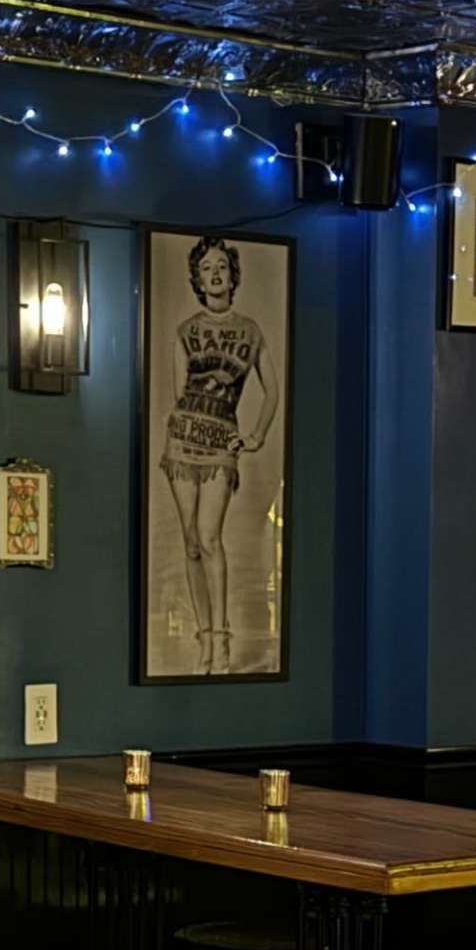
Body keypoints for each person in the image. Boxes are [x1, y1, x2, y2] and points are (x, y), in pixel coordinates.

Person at [159, 234, 277, 673]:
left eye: (222, 267)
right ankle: (204, 638)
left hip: (221, 445)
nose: (215, 274)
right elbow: (178, 396)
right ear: (197, 278)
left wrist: (255, 435)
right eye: (207, 268)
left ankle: (222, 639)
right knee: (191, 541)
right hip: (184, 441)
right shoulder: (186, 332)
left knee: (210, 536)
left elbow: (272, 391)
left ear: (233, 275)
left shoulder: (250, 331)